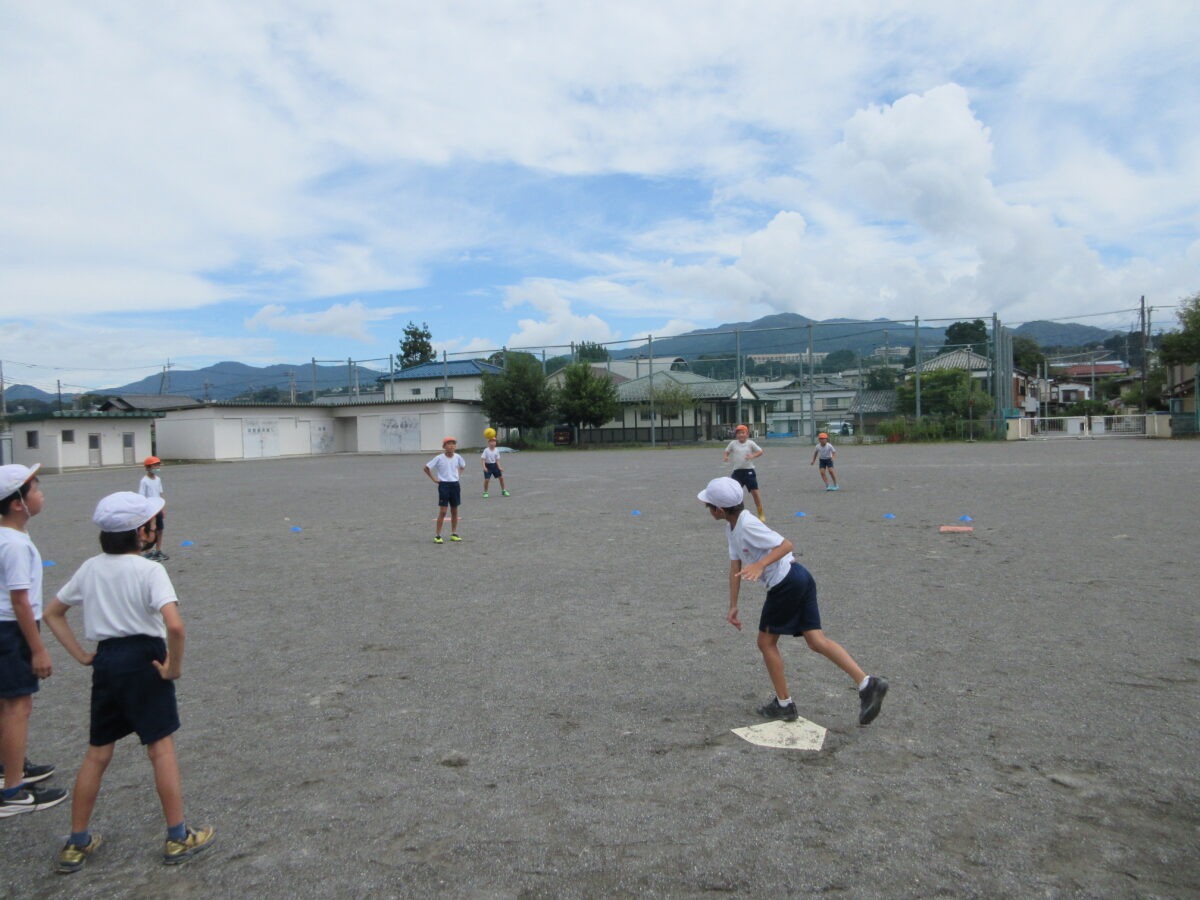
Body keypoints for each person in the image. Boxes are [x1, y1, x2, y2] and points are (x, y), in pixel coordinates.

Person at [43, 491, 214, 873]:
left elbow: (53, 612)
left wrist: (81, 654)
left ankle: (77, 842)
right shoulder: (150, 570)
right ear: (141, 532)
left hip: (107, 661)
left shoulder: (90, 568)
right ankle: (177, 836)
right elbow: (175, 626)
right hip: (145, 659)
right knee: (160, 748)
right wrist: (173, 667)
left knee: (97, 753)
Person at [697, 476, 887, 726]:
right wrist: (733, 605)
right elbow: (735, 566)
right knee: (816, 641)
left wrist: (760, 564)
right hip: (799, 577)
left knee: (766, 643)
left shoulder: (748, 524)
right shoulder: (732, 528)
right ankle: (867, 683)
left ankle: (784, 704)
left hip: (785, 583)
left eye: (708, 506)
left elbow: (786, 545)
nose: (708, 509)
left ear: (720, 510)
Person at [0, 464, 67, 818]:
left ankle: (8, 767)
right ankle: (12, 791)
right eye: (36, 490)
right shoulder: (13, 544)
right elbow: (20, 601)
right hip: (12, 631)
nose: (41, 495)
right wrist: (38, 649)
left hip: (7, 628)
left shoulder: (7, 536)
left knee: (6, 704)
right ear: (18, 503)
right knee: (17, 707)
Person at [424, 437, 466, 544]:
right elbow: (426, 468)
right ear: (444, 446)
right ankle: (438, 535)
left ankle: (454, 533)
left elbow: (462, 466)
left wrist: (457, 475)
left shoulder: (458, 457)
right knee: (443, 511)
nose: (451, 446)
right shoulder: (439, 458)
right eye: (449, 444)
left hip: (455, 485)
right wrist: (434, 479)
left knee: (454, 510)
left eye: (453, 444)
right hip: (444, 485)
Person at [723, 425, 765, 521]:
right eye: (739, 433)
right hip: (737, 472)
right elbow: (726, 451)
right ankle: (736, 513)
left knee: (755, 492)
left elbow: (760, 451)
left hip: (749, 471)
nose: (741, 435)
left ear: (747, 434)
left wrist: (752, 456)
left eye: (743, 433)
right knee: (734, 493)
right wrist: (726, 456)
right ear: (736, 435)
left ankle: (760, 512)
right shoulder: (733, 443)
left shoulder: (750, 443)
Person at [138, 457, 168, 560]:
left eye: (158, 465)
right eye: (155, 465)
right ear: (148, 468)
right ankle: (148, 552)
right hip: (149, 510)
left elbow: (160, 493)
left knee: (160, 530)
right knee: (149, 530)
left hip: (157, 508)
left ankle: (158, 550)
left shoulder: (158, 479)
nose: (157, 467)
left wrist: (162, 508)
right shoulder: (144, 481)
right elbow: (142, 496)